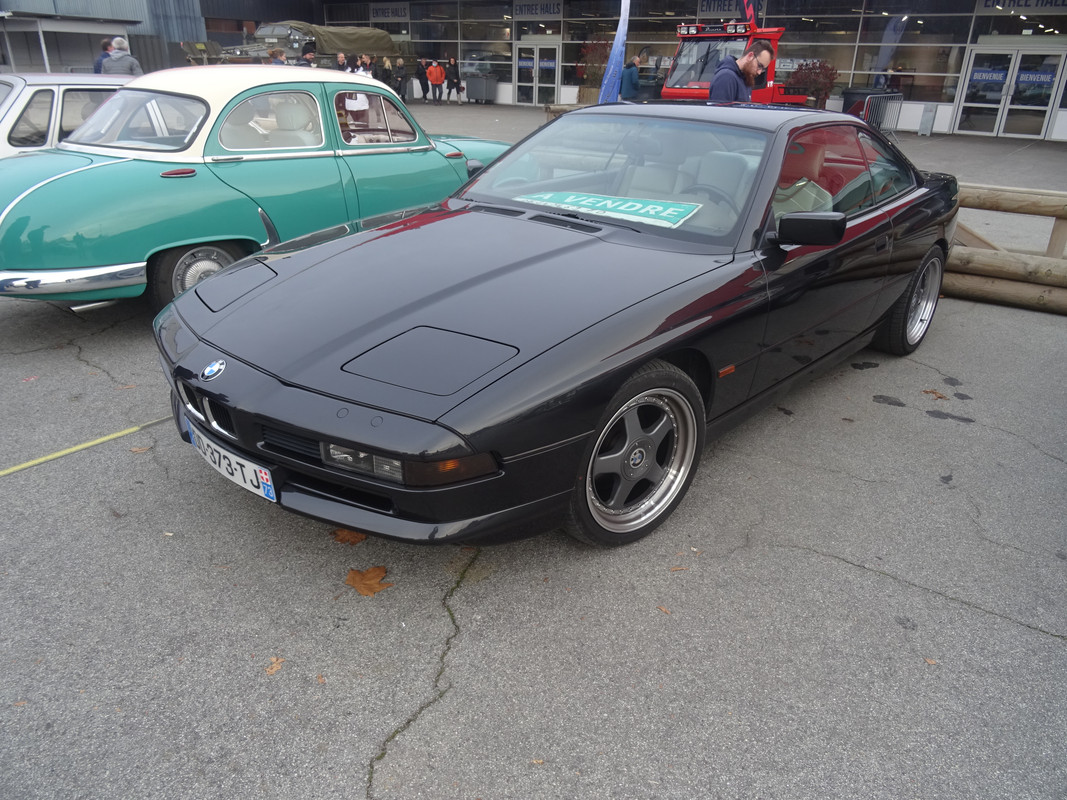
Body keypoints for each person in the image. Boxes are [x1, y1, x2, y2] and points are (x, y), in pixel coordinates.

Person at [708, 39, 773, 104]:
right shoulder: (726, 77)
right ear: (750, 56)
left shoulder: (745, 78)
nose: (759, 72)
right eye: (759, 66)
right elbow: (720, 112)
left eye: (763, 69)